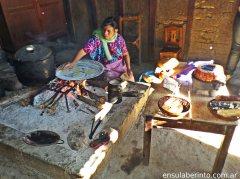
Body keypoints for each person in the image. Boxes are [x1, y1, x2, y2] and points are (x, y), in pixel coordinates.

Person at [64, 16, 134, 81]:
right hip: (106, 68)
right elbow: (84, 50)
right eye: (104, 30)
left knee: (130, 79)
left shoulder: (119, 39)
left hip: (120, 66)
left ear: (115, 31)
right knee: (111, 83)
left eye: (108, 31)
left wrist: (128, 68)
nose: (105, 33)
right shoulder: (96, 39)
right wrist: (73, 63)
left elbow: (126, 54)